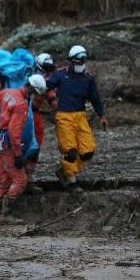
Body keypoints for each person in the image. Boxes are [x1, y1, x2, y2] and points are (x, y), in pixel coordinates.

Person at [0, 72, 48, 224]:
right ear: (33, 90)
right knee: (20, 180)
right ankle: (6, 214)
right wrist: (19, 155)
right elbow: (14, 133)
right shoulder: (22, 105)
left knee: (6, 179)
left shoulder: (8, 92)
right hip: (7, 144)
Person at [46, 45, 107, 191]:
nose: (81, 64)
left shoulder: (88, 79)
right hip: (64, 116)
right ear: (71, 61)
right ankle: (71, 180)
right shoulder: (61, 74)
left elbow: (95, 98)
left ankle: (64, 171)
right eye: (78, 61)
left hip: (80, 116)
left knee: (88, 151)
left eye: (83, 60)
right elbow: (45, 85)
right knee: (70, 151)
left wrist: (102, 115)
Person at [26, 53, 58, 194]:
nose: (48, 72)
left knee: (35, 147)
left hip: (35, 113)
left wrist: (61, 108)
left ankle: (29, 180)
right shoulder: (23, 74)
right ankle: (16, 180)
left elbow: (52, 97)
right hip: (21, 112)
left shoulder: (47, 83)